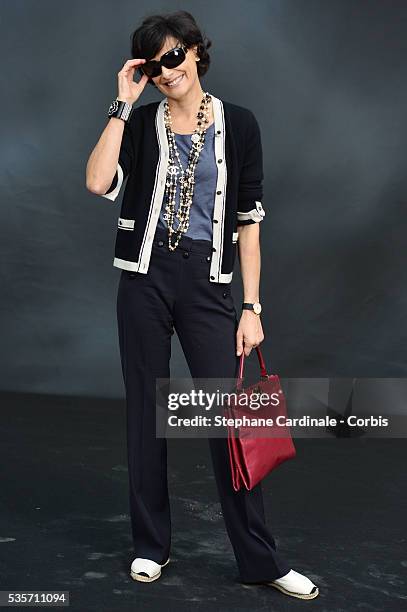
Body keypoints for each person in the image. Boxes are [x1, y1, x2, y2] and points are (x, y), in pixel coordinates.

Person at [86, 10, 319, 601]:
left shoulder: (239, 125)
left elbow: (249, 223)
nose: (166, 72)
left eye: (173, 58)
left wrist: (252, 305)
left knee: (229, 420)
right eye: (153, 63)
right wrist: (120, 103)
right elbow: (95, 182)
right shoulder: (138, 126)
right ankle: (149, 545)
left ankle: (259, 559)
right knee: (146, 414)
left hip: (207, 283)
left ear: (193, 52)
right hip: (143, 278)